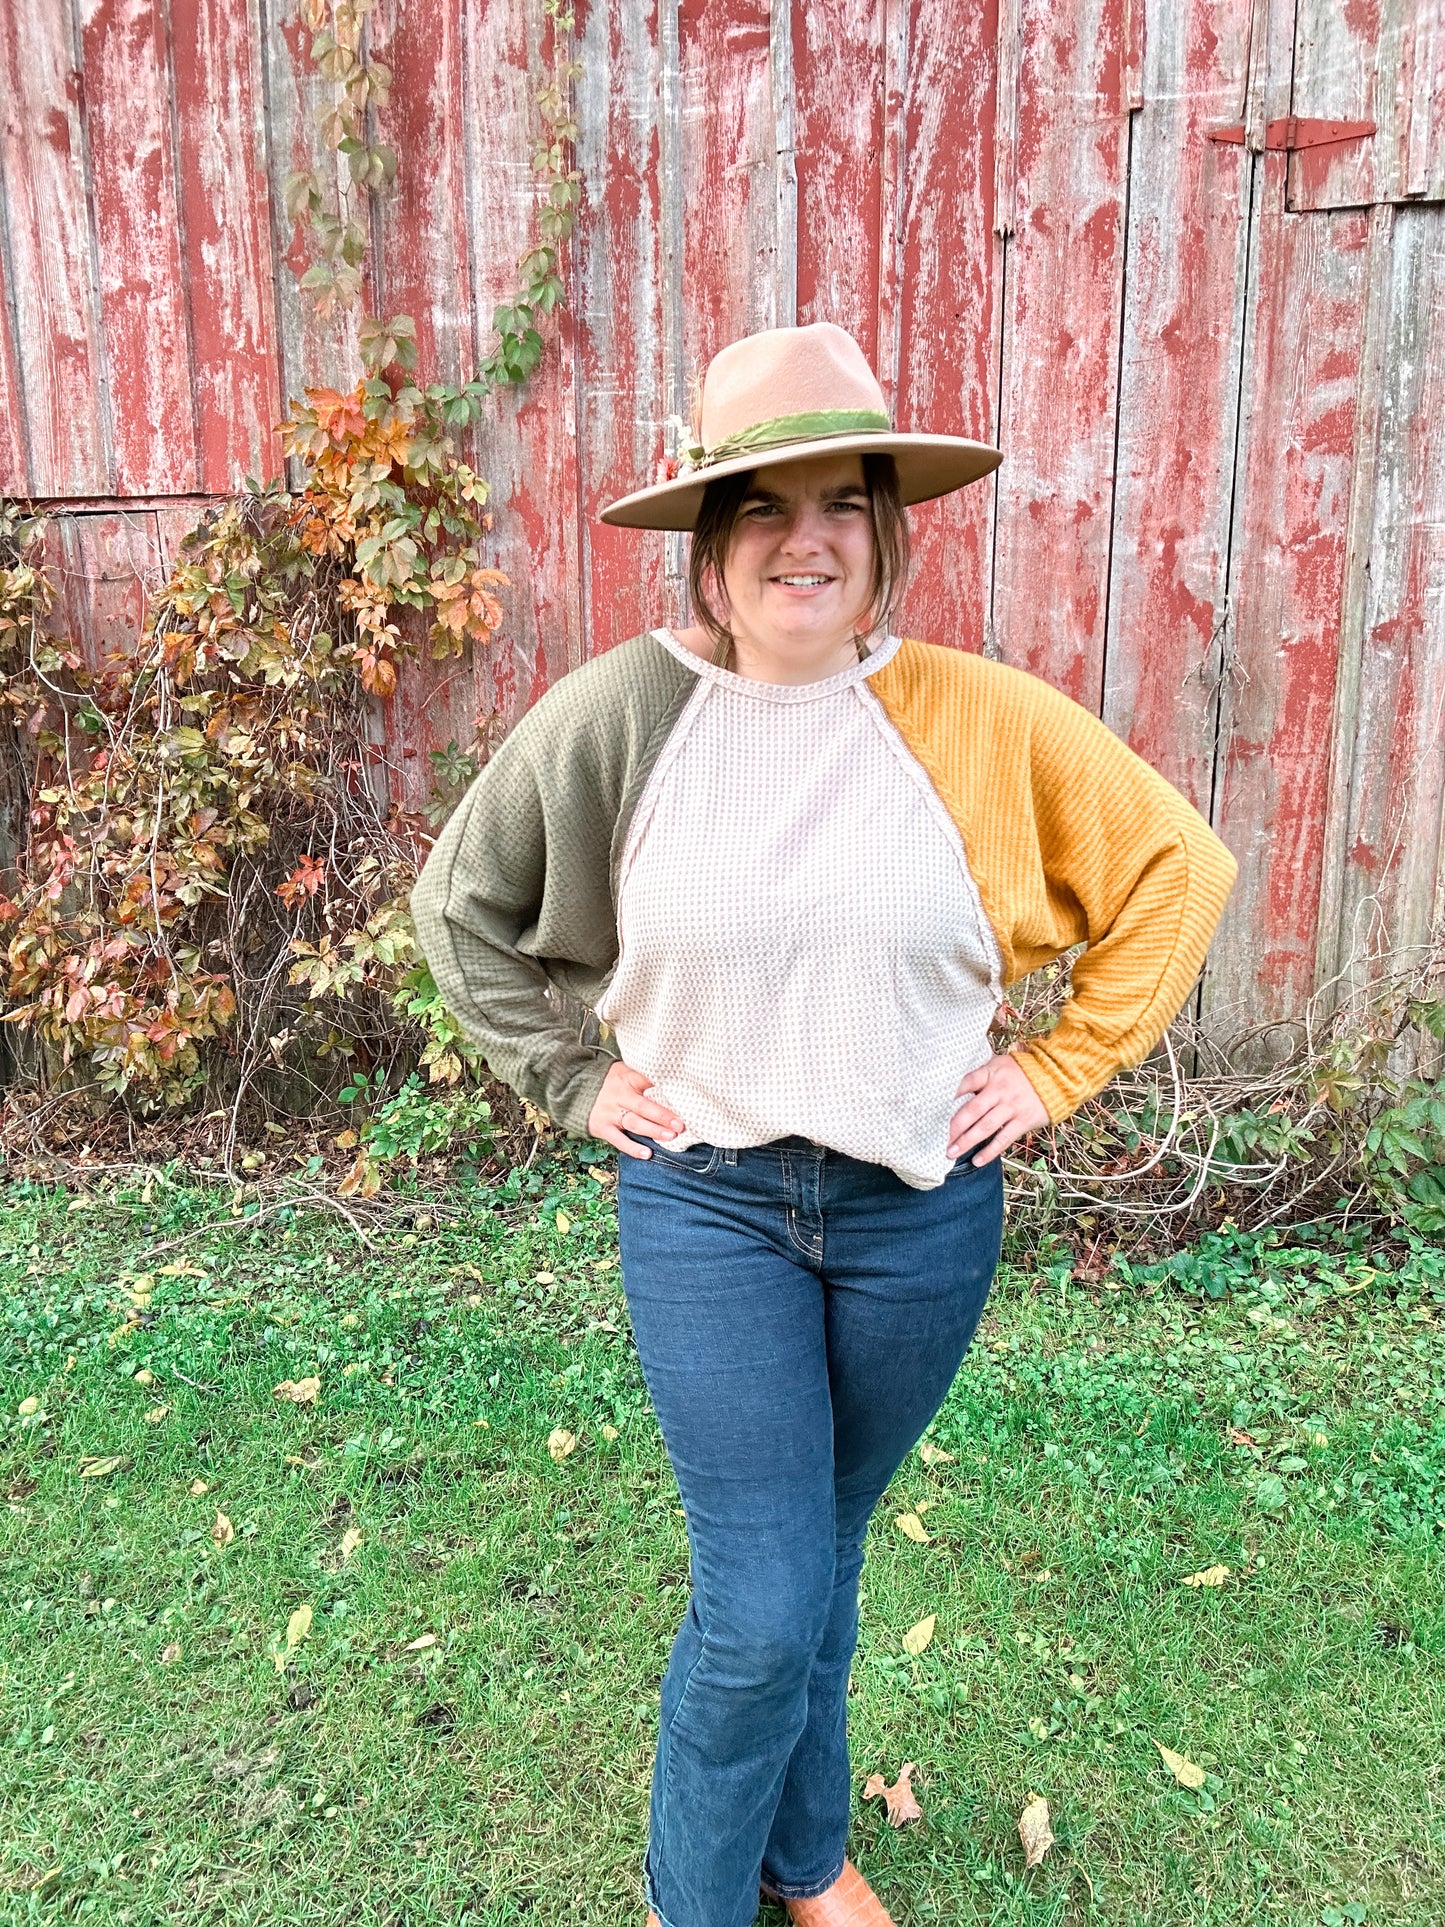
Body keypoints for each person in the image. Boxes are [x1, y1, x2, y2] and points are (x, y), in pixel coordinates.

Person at [411, 322, 1238, 1927]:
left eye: (840, 505)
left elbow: (1175, 871)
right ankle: (693, 1900)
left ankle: (808, 1860)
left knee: (824, 1558)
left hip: (916, 1214)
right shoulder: (619, 719)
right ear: (709, 553)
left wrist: (1053, 1071)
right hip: (707, 1199)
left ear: (885, 538)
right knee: (762, 1599)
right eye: (761, 507)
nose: (805, 539)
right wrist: (574, 1081)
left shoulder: (981, 722)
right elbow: (464, 907)